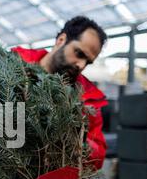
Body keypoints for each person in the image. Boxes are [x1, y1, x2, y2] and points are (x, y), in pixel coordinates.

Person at [12, 16, 108, 170]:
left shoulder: (88, 99)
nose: (81, 65)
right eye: (79, 53)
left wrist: (74, 136)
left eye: (88, 62)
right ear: (61, 40)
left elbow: (98, 157)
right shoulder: (14, 64)